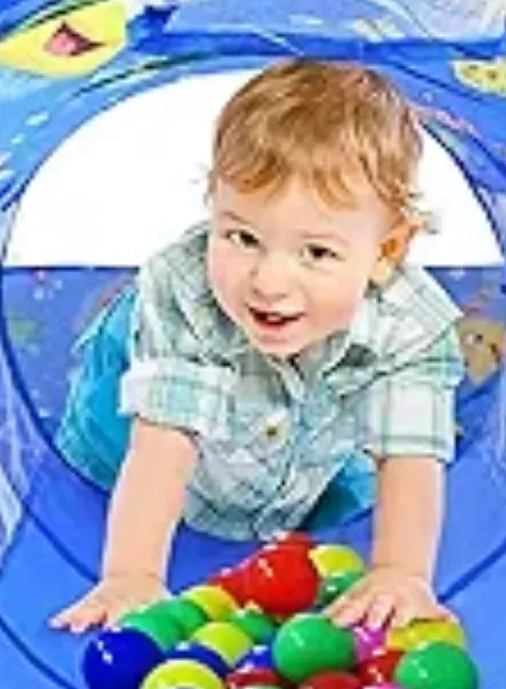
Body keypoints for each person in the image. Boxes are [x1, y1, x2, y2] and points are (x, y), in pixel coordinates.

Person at [51, 58, 466, 634]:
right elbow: (160, 449)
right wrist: (132, 575)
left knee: (351, 495)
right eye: (242, 237)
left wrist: (400, 571)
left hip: (303, 456)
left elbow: (411, 460)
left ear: (387, 252)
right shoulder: (187, 291)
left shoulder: (411, 323)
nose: (269, 282)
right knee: (103, 459)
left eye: (316, 253)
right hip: (129, 453)